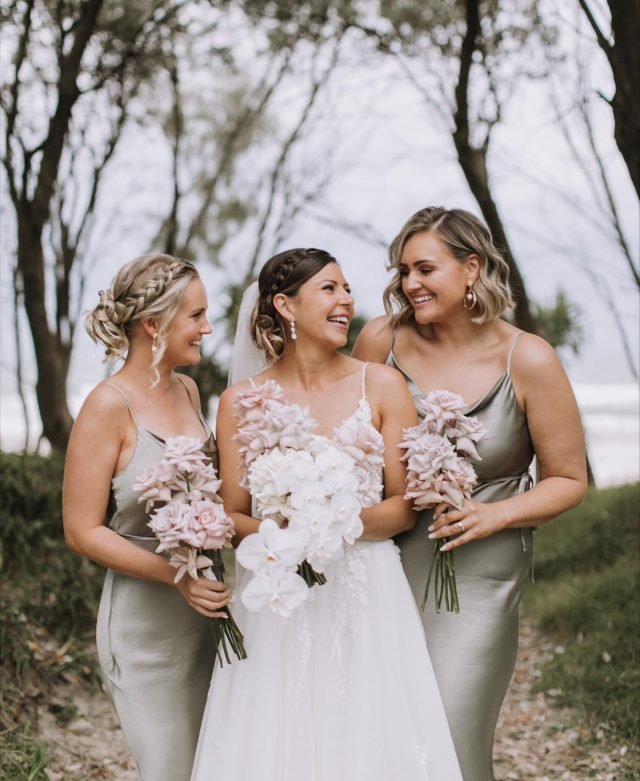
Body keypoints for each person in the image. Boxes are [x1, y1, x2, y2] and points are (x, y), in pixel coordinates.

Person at [191, 248, 463, 781]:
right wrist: (289, 537)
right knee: (276, 734)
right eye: (329, 289)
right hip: (277, 594)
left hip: (368, 591)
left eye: (346, 290)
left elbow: (404, 506)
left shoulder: (380, 385)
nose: (346, 301)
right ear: (285, 306)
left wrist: (333, 523)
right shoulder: (240, 401)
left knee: (369, 732)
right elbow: (231, 515)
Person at [352, 207, 588, 781]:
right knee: (387, 733)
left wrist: (495, 515)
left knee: (452, 734)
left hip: (482, 570)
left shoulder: (527, 358)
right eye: (402, 270)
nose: (410, 284)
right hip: (385, 564)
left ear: (471, 268)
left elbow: (569, 479)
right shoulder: (380, 340)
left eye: (425, 268)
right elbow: (349, 445)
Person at [63, 254, 230, 781]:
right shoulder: (106, 406)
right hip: (147, 626)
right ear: (154, 324)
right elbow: (81, 530)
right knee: (171, 767)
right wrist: (175, 575)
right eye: (196, 316)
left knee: (217, 762)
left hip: (211, 612)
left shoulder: (188, 390)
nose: (207, 328)